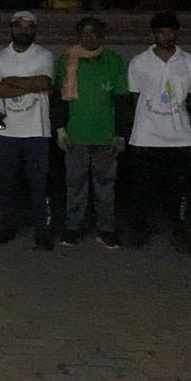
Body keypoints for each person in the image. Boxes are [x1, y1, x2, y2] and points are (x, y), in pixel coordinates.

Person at [126, 12, 191, 252]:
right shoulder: (139, 62)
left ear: (177, 33)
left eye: (171, 31)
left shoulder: (190, 63)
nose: (166, 36)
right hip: (145, 136)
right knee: (141, 188)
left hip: (179, 138)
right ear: (153, 34)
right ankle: (139, 229)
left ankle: (178, 230)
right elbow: (135, 97)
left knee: (178, 189)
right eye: (161, 32)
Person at [54, 17, 129, 249]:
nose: (89, 37)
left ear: (102, 35)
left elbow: (122, 98)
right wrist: (60, 128)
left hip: (106, 136)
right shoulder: (66, 60)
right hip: (75, 135)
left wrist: (120, 133)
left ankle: (106, 230)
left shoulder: (113, 60)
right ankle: (73, 228)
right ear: (78, 36)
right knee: (75, 184)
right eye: (84, 33)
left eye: (94, 32)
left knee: (105, 185)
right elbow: (58, 98)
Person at [0, 11, 55, 250]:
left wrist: (9, 82)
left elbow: (44, 83)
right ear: (11, 28)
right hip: (6, 131)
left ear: (35, 29)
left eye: (29, 27)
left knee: (39, 184)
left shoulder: (44, 55)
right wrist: (28, 85)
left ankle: (41, 230)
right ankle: (6, 227)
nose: (23, 30)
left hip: (37, 131)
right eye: (19, 26)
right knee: (6, 184)